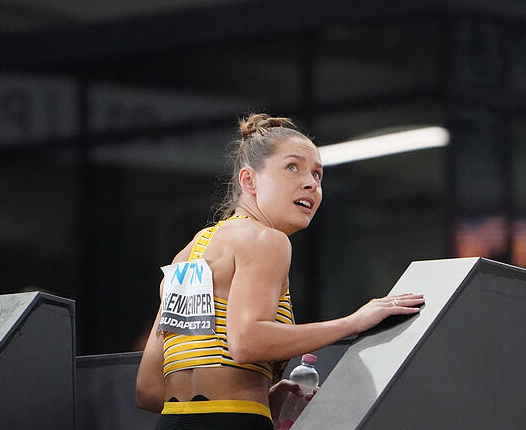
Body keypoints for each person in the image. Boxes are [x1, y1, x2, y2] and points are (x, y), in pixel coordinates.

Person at [135, 113, 424, 430]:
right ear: (249, 181)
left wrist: (262, 397)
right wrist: (353, 321)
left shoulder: (187, 255)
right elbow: (247, 342)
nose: (310, 183)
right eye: (292, 167)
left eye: (317, 175)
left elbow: (148, 390)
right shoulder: (265, 239)